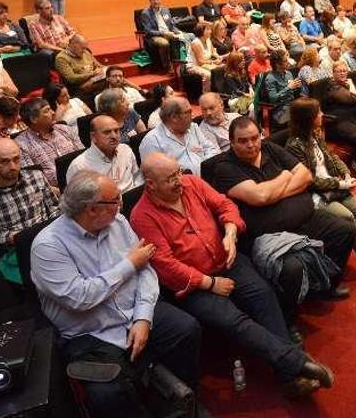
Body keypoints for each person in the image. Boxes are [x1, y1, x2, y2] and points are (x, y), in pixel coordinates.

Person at [131, 152, 334, 398]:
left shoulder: (191, 182)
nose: (179, 180)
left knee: (263, 295)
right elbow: (165, 265)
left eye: (178, 173)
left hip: (226, 259)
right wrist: (210, 283)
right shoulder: (142, 216)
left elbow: (226, 205)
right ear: (150, 184)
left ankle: (289, 372)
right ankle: (296, 364)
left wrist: (230, 231)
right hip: (194, 284)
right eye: (170, 178)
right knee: (234, 321)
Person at [31, 170, 202, 417]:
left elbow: (146, 270)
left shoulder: (117, 222)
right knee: (108, 394)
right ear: (91, 209)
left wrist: (143, 317)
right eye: (115, 200)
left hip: (133, 307)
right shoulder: (47, 246)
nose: (120, 206)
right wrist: (129, 264)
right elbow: (80, 297)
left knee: (185, 329)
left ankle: (180, 402)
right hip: (90, 331)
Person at [211, 117, 355, 318]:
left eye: (254, 138)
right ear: (232, 142)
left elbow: (305, 175)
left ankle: (323, 287)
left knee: (344, 230)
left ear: (261, 135)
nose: (251, 145)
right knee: (291, 269)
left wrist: (273, 193)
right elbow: (260, 196)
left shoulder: (270, 149)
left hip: (304, 218)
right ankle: (289, 318)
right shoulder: (224, 167)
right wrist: (286, 177)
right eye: (243, 140)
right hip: (267, 234)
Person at [285, 98, 356, 285]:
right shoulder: (294, 146)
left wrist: (345, 172)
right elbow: (309, 182)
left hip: (333, 188)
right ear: (308, 118)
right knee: (347, 216)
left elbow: (331, 157)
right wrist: (340, 184)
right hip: (315, 196)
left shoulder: (315, 134)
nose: (322, 115)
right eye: (318, 113)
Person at [0, 138, 59, 250]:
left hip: (49, 238)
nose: (12, 166)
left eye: (16, 159)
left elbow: (54, 208)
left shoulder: (36, 176)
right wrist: (10, 238)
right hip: (15, 250)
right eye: (4, 161)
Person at [14, 97, 85, 188]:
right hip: (58, 191)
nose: (53, 113)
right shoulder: (21, 145)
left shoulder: (65, 129)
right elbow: (35, 180)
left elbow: (84, 155)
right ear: (33, 119)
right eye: (47, 111)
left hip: (84, 180)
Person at [138, 98, 220, 176]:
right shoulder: (152, 142)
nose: (193, 115)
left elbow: (211, 149)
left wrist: (205, 166)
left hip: (207, 178)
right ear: (174, 117)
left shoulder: (193, 127)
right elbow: (158, 177)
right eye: (189, 112)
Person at [67, 115, 143, 192]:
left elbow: (136, 177)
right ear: (93, 137)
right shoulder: (79, 167)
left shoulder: (125, 150)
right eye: (107, 132)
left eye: (116, 131)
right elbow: (76, 202)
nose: (114, 136)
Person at [139, 0, 187, 70]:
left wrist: (177, 31)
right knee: (164, 43)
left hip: (169, 32)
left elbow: (171, 25)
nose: (156, 1)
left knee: (184, 37)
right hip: (155, 36)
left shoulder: (165, 10)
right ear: (150, 1)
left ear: (160, 0)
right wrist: (164, 33)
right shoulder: (146, 13)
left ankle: (181, 63)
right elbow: (148, 31)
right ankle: (167, 66)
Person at [262, 49, 301, 126]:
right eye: (285, 61)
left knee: (310, 110)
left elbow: (292, 92)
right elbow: (273, 98)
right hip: (280, 110)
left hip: (292, 105)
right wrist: (289, 88)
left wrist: (297, 86)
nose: (288, 62)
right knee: (301, 117)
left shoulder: (288, 73)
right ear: (277, 64)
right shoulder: (270, 78)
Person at [186, 23, 222, 93]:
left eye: (210, 29)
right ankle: (206, 94)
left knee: (222, 69)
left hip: (206, 64)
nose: (210, 31)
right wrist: (214, 62)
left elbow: (213, 52)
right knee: (209, 74)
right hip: (194, 66)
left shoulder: (208, 40)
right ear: (201, 31)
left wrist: (218, 57)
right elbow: (200, 61)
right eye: (208, 29)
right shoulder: (196, 43)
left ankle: (218, 92)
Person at [222, 51, 254, 116]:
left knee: (257, 103)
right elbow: (235, 90)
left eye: (243, 59)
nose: (244, 62)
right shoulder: (228, 76)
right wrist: (246, 94)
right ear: (234, 63)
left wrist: (250, 88)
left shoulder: (242, 71)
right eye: (241, 61)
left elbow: (247, 83)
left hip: (245, 96)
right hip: (234, 98)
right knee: (252, 107)